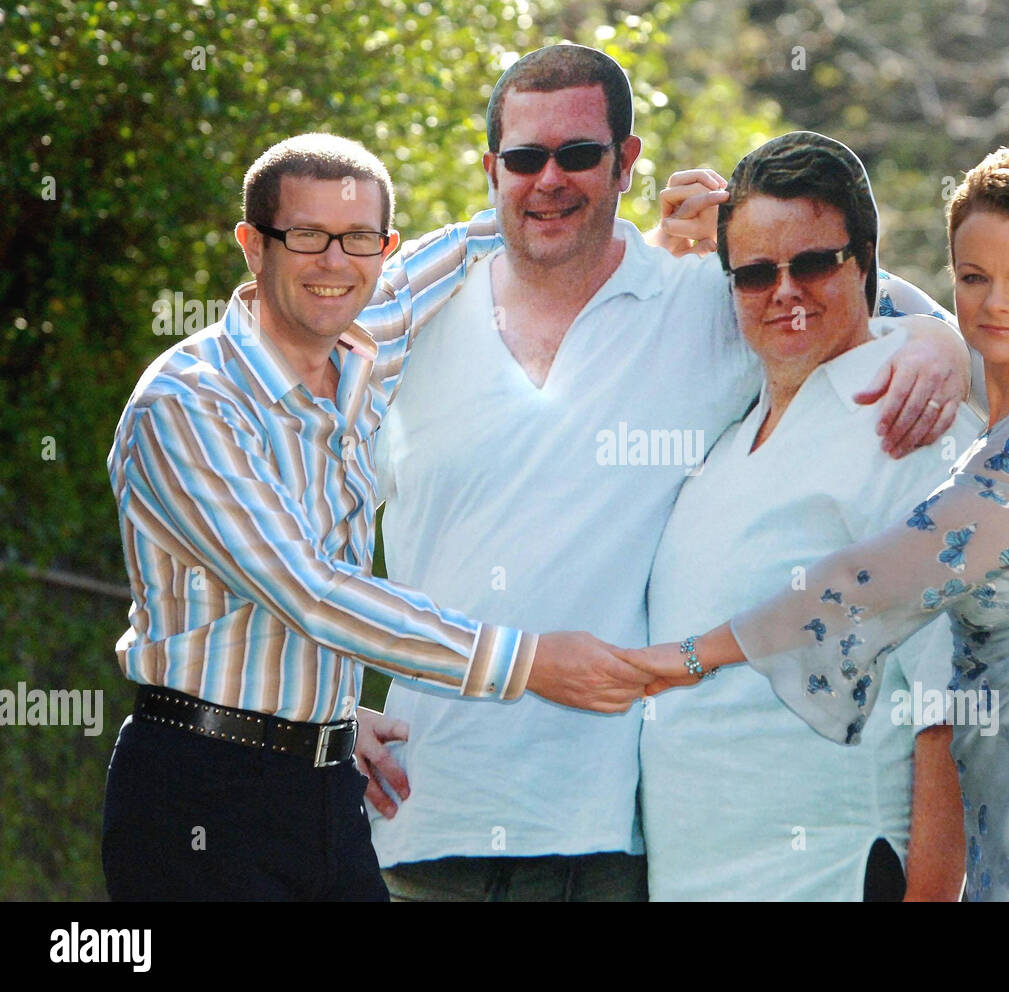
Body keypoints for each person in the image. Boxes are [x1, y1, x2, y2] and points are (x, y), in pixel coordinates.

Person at [363, 44, 972, 902]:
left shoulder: (700, 302)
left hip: (619, 841)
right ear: (489, 164)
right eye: (525, 158)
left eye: (578, 155)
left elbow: (829, 290)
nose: (550, 180)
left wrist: (945, 345)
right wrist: (320, 713)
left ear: (626, 161)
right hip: (427, 818)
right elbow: (287, 518)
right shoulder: (405, 322)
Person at [625, 143, 1009, 902]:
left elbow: (872, 585)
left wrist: (677, 660)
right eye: (973, 279)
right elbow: (865, 299)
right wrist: (724, 238)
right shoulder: (987, 372)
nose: (995, 304)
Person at [102, 132, 656, 901]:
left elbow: (486, 230)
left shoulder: (367, 344)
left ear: (384, 246)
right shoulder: (188, 404)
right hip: (201, 792)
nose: (335, 262)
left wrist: (671, 240)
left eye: (359, 239)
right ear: (251, 247)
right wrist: (531, 664)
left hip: (329, 790)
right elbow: (311, 591)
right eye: (306, 236)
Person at [639, 132, 975, 901]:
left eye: (814, 263)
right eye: (755, 273)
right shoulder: (725, 441)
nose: (784, 292)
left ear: (865, 262)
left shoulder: (911, 423)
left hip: (834, 876)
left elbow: (952, 710)